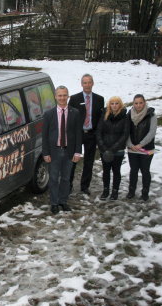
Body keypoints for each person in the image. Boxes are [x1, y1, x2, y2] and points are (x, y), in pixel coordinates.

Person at [42, 86, 83, 214]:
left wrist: (78, 152)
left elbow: (78, 134)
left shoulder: (75, 113)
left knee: (66, 178)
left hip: (69, 152)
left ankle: (63, 201)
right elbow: (44, 135)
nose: (62, 98)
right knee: (53, 178)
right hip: (54, 152)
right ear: (55, 96)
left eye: (64, 95)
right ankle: (54, 202)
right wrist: (46, 153)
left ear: (68, 96)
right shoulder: (49, 114)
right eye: (59, 95)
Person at [69, 74, 105, 195]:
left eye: (89, 82)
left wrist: (97, 133)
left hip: (91, 134)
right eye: (85, 83)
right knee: (73, 160)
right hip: (78, 134)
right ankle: (68, 185)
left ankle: (85, 186)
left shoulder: (100, 99)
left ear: (93, 83)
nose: (87, 85)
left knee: (89, 162)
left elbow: (100, 119)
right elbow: (70, 118)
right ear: (81, 84)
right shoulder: (74, 99)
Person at [96, 97, 129, 200]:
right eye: (112, 103)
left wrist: (113, 149)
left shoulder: (125, 117)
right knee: (106, 171)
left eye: (116, 103)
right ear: (109, 105)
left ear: (120, 105)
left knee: (116, 171)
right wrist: (103, 147)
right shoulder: (104, 115)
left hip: (118, 150)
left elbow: (125, 134)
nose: (114, 105)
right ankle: (105, 190)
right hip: (104, 149)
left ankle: (115, 191)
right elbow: (98, 132)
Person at [126, 94, 157, 201]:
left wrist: (140, 145)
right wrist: (130, 145)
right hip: (132, 149)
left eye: (140, 103)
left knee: (145, 171)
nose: (138, 105)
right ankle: (131, 191)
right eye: (136, 103)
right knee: (133, 170)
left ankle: (145, 192)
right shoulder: (129, 114)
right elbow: (126, 131)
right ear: (133, 104)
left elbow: (152, 132)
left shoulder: (151, 115)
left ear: (144, 102)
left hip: (146, 149)